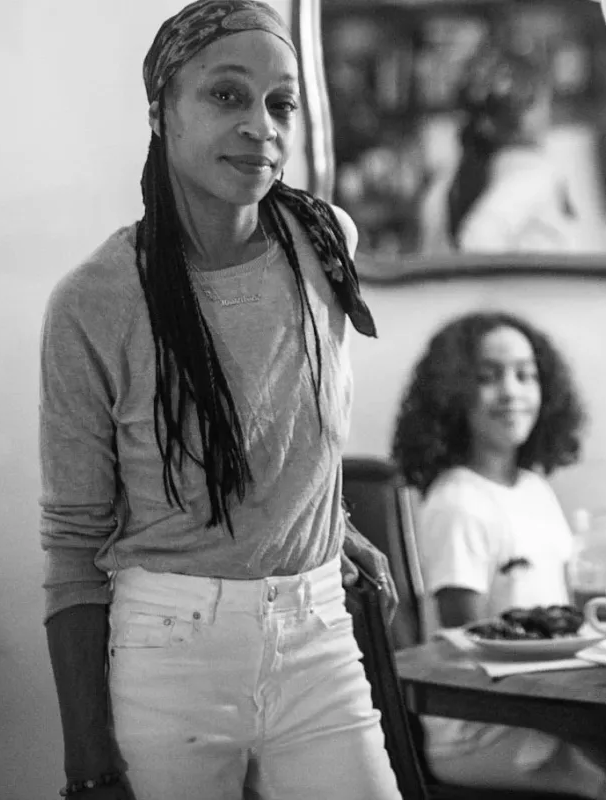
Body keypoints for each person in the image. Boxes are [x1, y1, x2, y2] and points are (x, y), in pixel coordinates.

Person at [38, 3, 400, 798]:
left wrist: (326, 525)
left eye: (280, 103)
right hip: (170, 653)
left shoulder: (324, 241)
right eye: (226, 96)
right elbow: (72, 548)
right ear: (160, 112)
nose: (261, 127)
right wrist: (87, 762)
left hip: (317, 635)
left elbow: (281, 421)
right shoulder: (96, 301)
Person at [391, 311, 606, 800]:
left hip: (556, 706)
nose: (511, 391)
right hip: (487, 728)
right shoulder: (457, 503)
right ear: (453, 393)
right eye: (488, 377)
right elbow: (470, 652)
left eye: (525, 374)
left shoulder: (533, 489)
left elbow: (570, 619)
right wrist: (588, 736)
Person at [416, 53, 606, 254]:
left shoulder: (444, 184)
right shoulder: (534, 178)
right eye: (543, 102)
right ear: (529, 112)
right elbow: (477, 239)